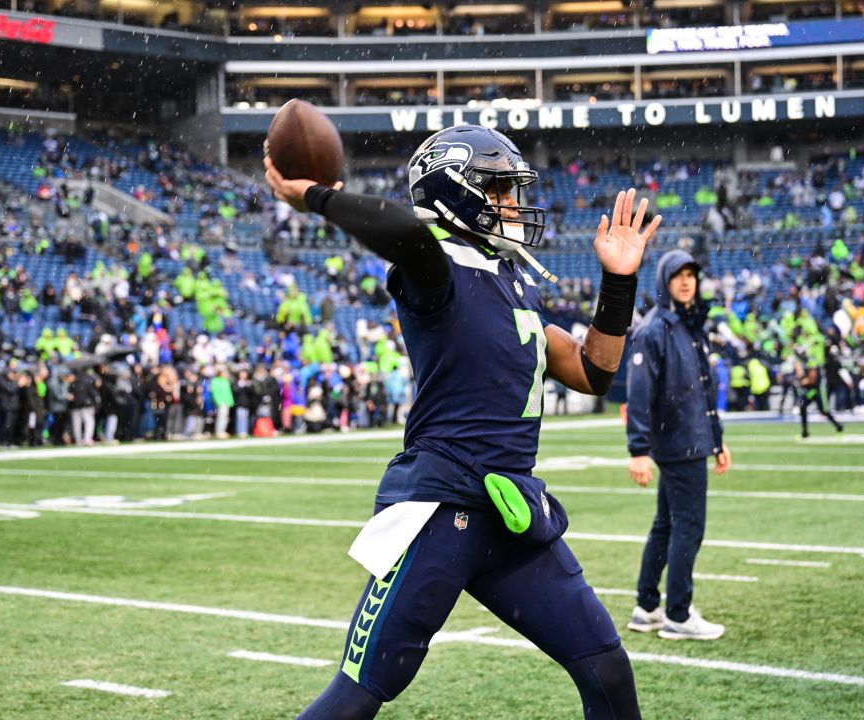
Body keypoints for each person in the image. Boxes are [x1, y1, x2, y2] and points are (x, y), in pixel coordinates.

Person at [266, 124, 657, 719]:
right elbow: (404, 231)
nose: (512, 203)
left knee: (606, 667)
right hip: (439, 510)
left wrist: (619, 281)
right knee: (358, 696)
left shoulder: (511, 280)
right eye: (499, 188)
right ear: (457, 191)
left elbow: (593, 371)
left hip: (511, 513)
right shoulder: (436, 267)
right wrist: (315, 196)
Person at [625, 250, 731, 642]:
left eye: (692, 274)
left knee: (666, 525)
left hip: (690, 440)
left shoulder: (687, 325)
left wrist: (717, 440)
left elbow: (703, 389)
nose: (687, 281)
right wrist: (637, 450)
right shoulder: (655, 330)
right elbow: (639, 394)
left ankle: (647, 606)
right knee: (689, 526)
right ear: (664, 281)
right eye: (678, 275)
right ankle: (678, 614)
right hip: (678, 443)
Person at [795, 345, 843, 438]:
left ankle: (838, 426)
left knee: (823, 410)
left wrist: (803, 381)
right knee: (802, 407)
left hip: (817, 389)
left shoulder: (811, 361)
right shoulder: (802, 363)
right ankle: (805, 432)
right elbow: (800, 376)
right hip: (809, 390)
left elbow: (812, 379)